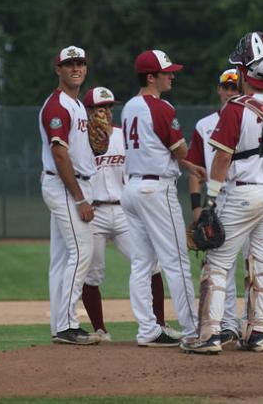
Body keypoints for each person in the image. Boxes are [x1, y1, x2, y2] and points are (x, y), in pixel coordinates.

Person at [181, 32, 263, 354]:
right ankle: (257, 333)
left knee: (216, 264)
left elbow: (222, 158)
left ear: (245, 71)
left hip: (243, 193)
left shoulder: (235, 109)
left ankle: (209, 336)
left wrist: (211, 200)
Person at [80, 86, 180, 342]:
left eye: (109, 107)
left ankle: (159, 325)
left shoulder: (124, 137)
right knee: (93, 274)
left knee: (151, 265)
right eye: (100, 108)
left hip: (123, 210)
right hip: (95, 213)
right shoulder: (80, 141)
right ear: (88, 110)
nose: (105, 113)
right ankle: (100, 330)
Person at [120, 49, 203, 347]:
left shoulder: (129, 106)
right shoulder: (160, 107)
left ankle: (147, 330)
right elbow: (180, 151)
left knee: (142, 263)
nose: (172, 76)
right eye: (167, 72)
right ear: (151, 76)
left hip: (131, 189)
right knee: (176, 260)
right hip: (156, 189)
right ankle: (194, 330)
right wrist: (199, 165)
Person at [39, 46, 102, 345]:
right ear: (58, 70)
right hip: (65, 185)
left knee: (63, 257)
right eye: (69, 64)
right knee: (82, 252)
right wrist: (79, 198)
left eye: (80, 63)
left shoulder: (77, 105)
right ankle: (67, 325)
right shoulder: (57, 106)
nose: (75, 68)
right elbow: (59, 154)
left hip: (71, 183)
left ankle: (59, 325)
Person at [186, 69, 242, 345]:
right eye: (226, 87)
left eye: (235, 87)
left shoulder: (251, 118)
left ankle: (250, 326)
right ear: (219, 89)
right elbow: (195, 169)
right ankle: (227, 323)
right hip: (216, 200)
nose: (230, 92)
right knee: (221, 264)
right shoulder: (204, 124)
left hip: (245, 194)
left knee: (252, 262)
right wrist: (197, 209)